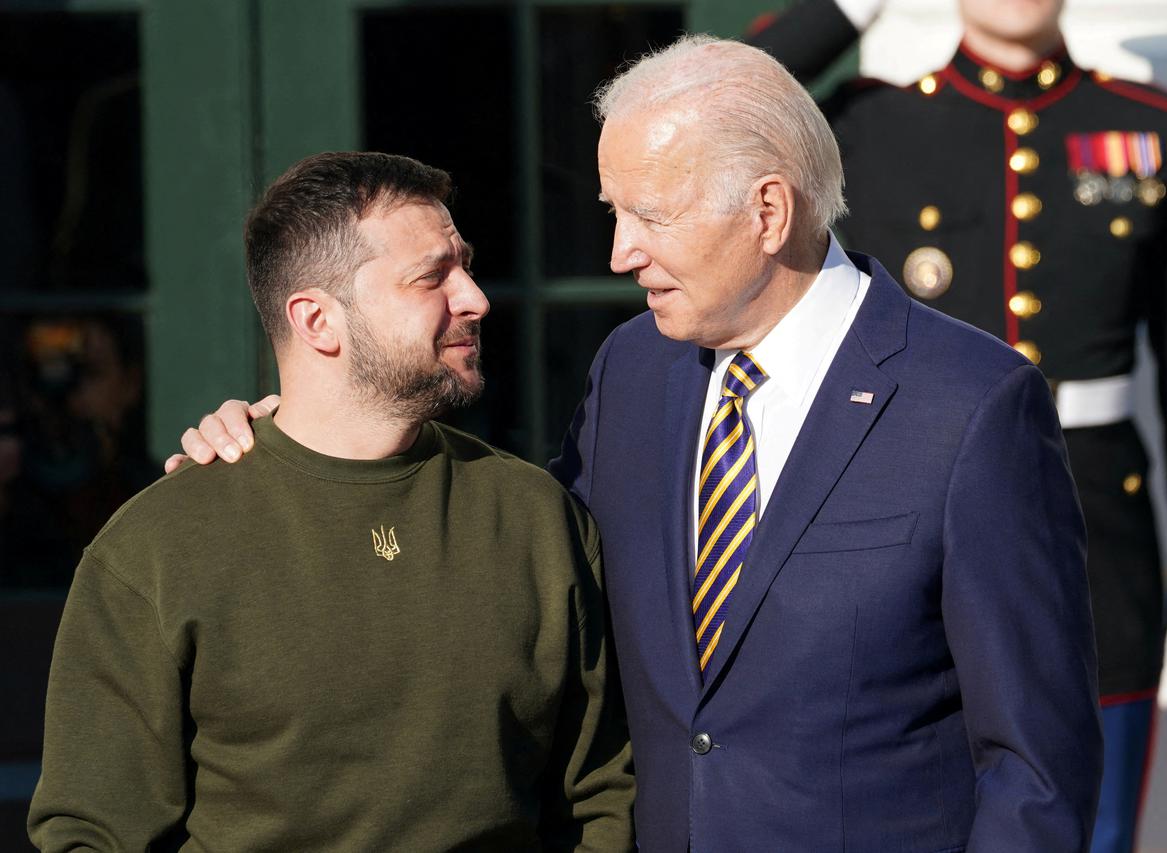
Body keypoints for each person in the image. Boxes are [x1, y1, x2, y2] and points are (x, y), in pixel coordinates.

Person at [174, 39, 1101, 851]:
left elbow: (1037, 767)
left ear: (768, 213)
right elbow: (508, 562)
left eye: (649, 217)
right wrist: (297, 447)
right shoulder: (635, 369)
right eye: (616, 211)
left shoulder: (971, 405)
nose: (620, 252)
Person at [748, 2, 1167, 849]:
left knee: (1093, 829)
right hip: (906, 553)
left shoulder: (1151, 130)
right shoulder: (871, 123)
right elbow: (731, 97)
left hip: (1097, 559)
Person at [29, 152, 634, 851]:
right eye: (432, 276)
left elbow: (600, 794)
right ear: (318, 321)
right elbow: (91, 831)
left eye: (463, 265)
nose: (474, 297)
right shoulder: (157, 546)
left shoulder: (534, 517)